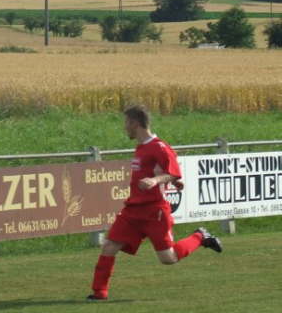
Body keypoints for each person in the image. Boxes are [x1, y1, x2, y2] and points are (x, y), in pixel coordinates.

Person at [87, 105, 222, 301]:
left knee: (168, 258)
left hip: (154, 211)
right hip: (133, 211)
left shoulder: (159, 147)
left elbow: (174, 172)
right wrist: (170, 180)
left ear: (135, 123)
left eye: (126, 123)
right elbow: (169, 174)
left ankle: (200, 236)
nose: (125, 127)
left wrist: (156, 181)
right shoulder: (141, 147)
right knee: (109, 246)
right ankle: (99, 292)